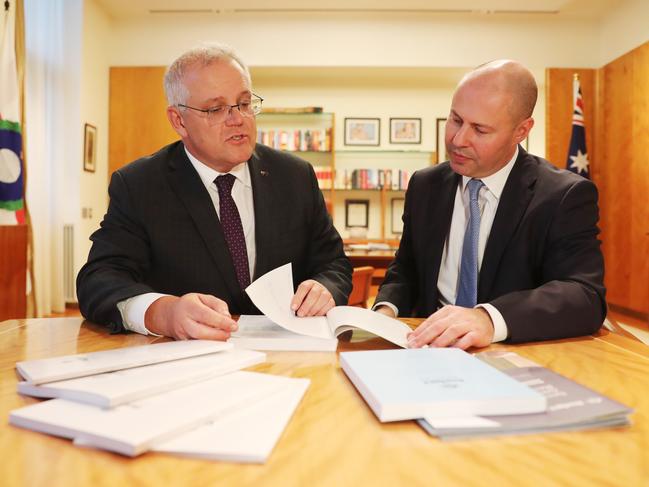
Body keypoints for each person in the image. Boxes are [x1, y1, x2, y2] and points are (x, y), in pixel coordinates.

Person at [77, 44, 352, 341]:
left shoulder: (295, 176)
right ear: (178, 120)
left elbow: (332, 262)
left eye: (244, 103)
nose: (238, 119)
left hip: (286, 356)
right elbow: (99, 278)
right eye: (215, 109)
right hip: (186, 362)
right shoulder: (140, 184)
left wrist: (325, 287)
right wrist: (163, 312)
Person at [374, 60, 606, 349]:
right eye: (456, 120)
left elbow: (584, 295)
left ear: (521, 131)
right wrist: (385, 312)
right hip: (425, 349)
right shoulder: (425, 185)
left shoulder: (564, 195)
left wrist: (488, 318)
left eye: (480, 130)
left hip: (512, 353)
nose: (458, 140)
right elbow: (406, 269)